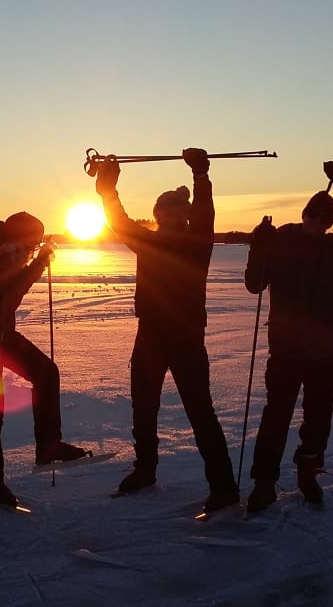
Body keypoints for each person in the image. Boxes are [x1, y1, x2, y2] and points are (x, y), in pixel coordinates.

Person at [94, 148, 239, 513]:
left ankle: (223, 488)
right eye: (165, 211)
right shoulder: (150, 241)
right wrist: (107, 188)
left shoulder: (197, 242)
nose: (171, 216)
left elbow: (206, 215)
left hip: (186, 337)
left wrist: (201, 176)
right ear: (158, 216)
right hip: (150, 334)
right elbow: (120, 222)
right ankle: (145, 468)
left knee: (200, 412)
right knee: (143, 407)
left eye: (178, 210)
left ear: (185, 213)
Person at [242, 161, 333, 512]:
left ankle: (307, 471)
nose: (319, 224)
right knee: (276, 416)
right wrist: (257, 245)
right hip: (287, 351)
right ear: (305, 214)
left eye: (325, 220)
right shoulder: (279, 242)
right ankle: (264, 482)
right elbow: (254, 285)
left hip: (327, 353)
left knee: (318, 418)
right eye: (315, 216)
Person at [0, 212, 90, 507]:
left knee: (46, 372)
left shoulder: (9, 257)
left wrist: (35, 262)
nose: (31, 251)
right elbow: (12, 292)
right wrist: (39, 263)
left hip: (1, 338)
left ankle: (48, 445)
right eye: (31, 245)